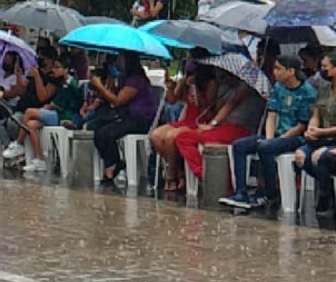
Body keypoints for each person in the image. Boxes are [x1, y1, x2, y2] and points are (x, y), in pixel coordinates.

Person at [221, 56, 315, 209]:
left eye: (278, 68)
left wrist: (277, 140)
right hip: (277, 135)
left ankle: (268, 192)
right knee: (239, 145)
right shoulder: (278, 87)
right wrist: (270, 138)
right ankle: (241, 193)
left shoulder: (307, 91)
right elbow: (272, 115)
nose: (274, 72)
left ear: (291, 71)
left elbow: (302, 125)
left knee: (265, 147)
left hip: (296, 137)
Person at [174, 64, 264, 182]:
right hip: (225, 127)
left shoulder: (248, 84)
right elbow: (215, 108)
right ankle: (205, 173)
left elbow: (230, 104)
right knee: (184, 137)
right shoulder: (225, 85)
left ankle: (205, 175)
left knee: (184, 138)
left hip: (239, 129)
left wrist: (212, 124)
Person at [89, 51, 160, 189]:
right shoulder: (123, 78)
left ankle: (113, 163)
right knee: (94, 126)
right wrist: (109, 85)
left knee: (106, 133)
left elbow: (118, 101)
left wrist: (100, 87)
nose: (117, 62)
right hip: (125, 115)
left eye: (120, 59)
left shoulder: (136, 80)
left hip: (139, 119)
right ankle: (111, 162)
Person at [150, 54, 216, 192]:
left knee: (170, 137)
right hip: (186, 120)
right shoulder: (185, 81)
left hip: (200, 121)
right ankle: (180, 171)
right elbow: (172, 100)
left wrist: (199, 97)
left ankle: (171, 175)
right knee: (155, 136)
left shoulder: (211, 84)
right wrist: (170, 87)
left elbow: (210, 108)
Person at [20, 55, 81, 173]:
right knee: (31, 125)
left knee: (29, 112)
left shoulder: (70, 84)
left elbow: (61, 104)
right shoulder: (62, 83)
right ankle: (39, 159)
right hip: (56, 114)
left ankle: (18, 143)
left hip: (64, 116)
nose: (54, 70)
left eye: (57, 68)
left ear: (66, 69)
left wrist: (49, 107)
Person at [298, 52, 336, 217]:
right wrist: (312, 128)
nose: (322, 70)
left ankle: (325, 195)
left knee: (320, 157)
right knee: (301, 156)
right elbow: (316, 113)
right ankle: (326, 184)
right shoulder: (324, 89)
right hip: (321, 137)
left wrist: (322, 132)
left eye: (326, 67)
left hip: (332, 138)